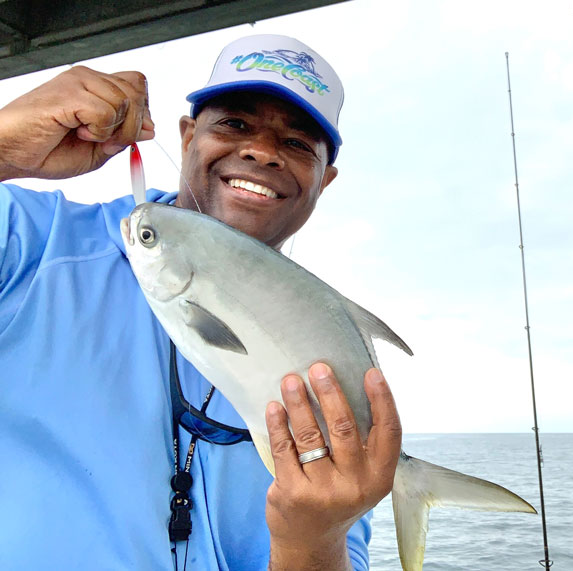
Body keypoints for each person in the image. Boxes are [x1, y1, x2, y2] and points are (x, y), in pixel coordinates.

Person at [0, 34, 401, 570]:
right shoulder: (33, 240)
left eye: (299, 144)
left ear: (323, 181)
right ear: (188, 136)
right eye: (235, 124)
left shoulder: (327, 348)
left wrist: (310, 541)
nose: (261, 151)